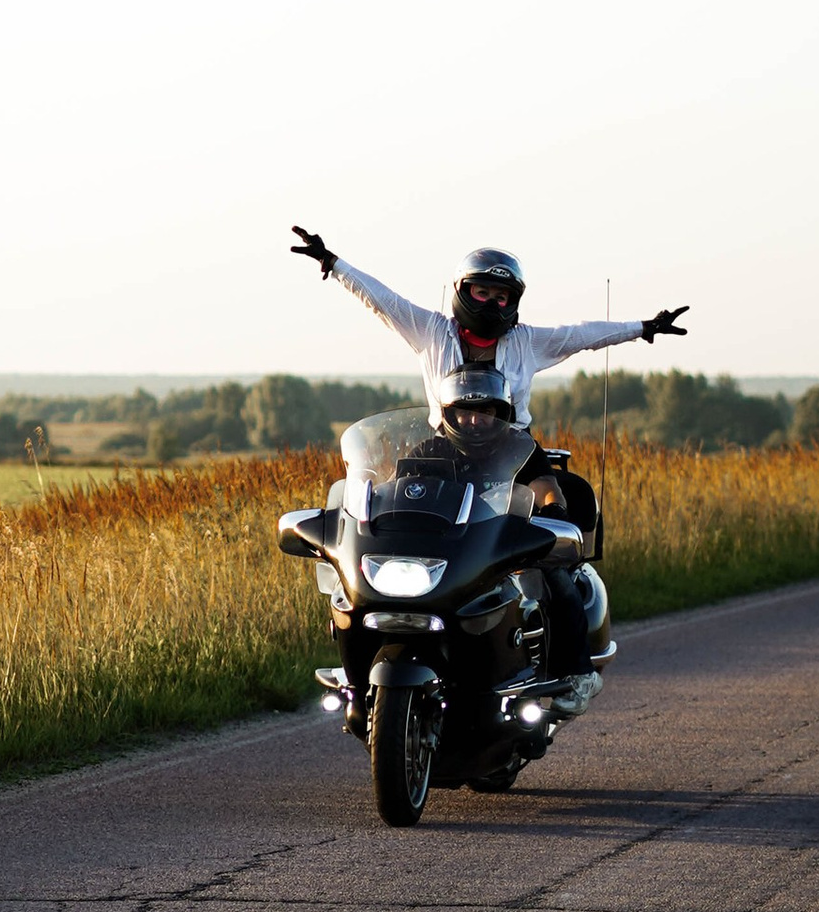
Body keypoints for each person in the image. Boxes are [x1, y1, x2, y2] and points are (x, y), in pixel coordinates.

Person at [290, 232, 689, 686]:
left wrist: (644, 328)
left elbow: (582, 336)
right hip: (444, 444)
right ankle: (370, 655)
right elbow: (382, 300)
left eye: (503, 296)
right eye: (484, 292)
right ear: (463, 291)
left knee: (552, 553)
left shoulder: (527, 342)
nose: (494, 304)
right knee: (388, 508)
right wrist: (333, 262)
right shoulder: (432, 331)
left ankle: (575, 672)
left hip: (511, 448)